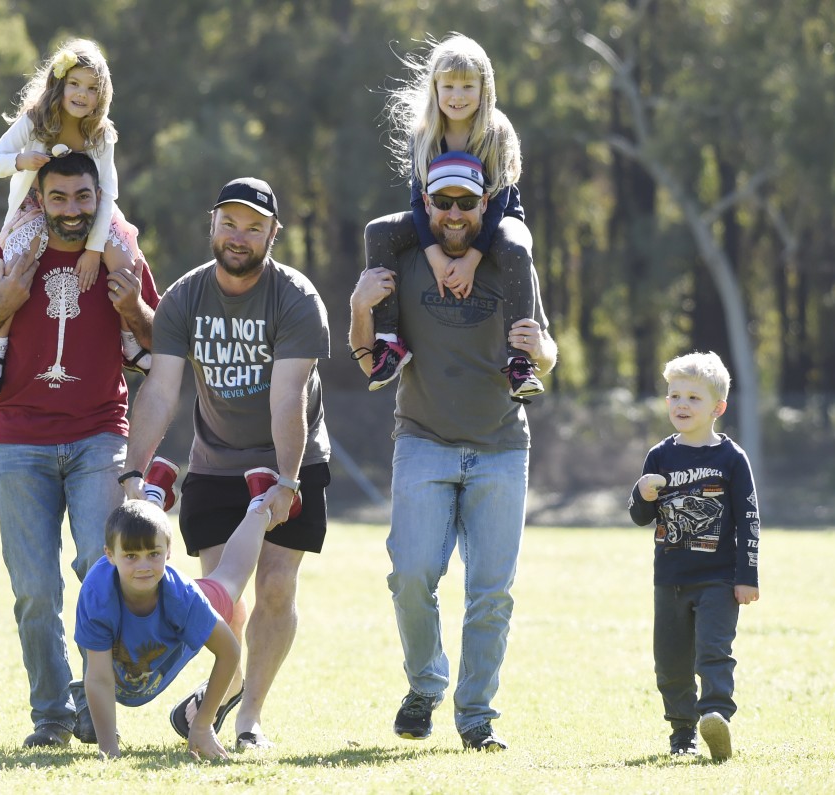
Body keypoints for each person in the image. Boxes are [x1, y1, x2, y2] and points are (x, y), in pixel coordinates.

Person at [0, 151, 160, 748]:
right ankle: (51, 717)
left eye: (83, 198)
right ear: (38, 198)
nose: (71, 211)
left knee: (102, 566)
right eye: (58, 198)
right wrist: (2, 307)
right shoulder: (5, 254)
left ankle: (96, 702)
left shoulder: (121, 254)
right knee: (34, 588)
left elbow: (161, 346)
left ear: (100, 197)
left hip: (99, 433)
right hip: (18, 439)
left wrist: (131, 306)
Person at [349, 152, 558, 751]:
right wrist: (361, 307)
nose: (455, 214)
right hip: (423, 440)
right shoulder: (402, 259)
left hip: (500, 446)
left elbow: (548, 356)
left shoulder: (513, 265)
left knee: (491, 592)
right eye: (443, 203)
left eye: (467, 202)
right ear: (426, 207)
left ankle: (476, 717)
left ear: (484, 205)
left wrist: (541, 353)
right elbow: (370, 363)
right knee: (410, 574)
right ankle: (425, 684)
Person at [118, 177, 331, 753]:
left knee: (277, 588)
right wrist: (132, 476)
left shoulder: (296, 298)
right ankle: (208, 708)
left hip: (294, 458)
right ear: (212, 225)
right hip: (216, 463)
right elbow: (161, 391)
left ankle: (248, 718)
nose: (240, 236)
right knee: (225, 600)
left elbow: (290, 398)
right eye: (230, 223)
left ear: (272, 235)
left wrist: (286, 481)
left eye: (254, 227)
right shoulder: (184, 298)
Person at [363, 33, 544, 401]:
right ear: (435, 87)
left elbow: (498, 202)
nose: (457, 96)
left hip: (496, 218)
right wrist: (435, 254)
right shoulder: (424, 134)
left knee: (516, 248)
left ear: (484, 88)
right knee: (377, 231)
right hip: (439, 218)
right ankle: (389, 341)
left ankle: (520, 360)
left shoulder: (497, 131)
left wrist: (472, 259)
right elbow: (419, 201)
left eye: (467, 86)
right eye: (448, 86)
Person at [0, 38, 149, 396]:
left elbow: (109, 194)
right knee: (18, 259)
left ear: (102, 95)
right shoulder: (36, 121)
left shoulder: (101, 135)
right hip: (36, 206)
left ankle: (129, 340)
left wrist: (94, 249)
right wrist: (20, 161)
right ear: (59, 84)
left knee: (123, 257)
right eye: (75, 84)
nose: (82, 95)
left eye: (92, 88)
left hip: (90, 206)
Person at [76, 474, 284, 760]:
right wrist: (108, 749)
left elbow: (229, 651)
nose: (144, 566)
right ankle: (153, 496)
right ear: (110, 555)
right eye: (131, 556)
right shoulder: (97, 597)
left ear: (168, 553)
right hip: (131, 619)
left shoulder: (184, 598)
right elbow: (99, 678)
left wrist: (203, 724)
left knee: (232, 578)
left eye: (154, 554)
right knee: (141, 531)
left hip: (179, 610)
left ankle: (260, 507)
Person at [627, 351, 761, 761]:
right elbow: (640, 516)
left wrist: (747, 575)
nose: (681, 405)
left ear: (718, 407)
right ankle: (682, 734)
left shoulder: (731, 459)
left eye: (693, 398)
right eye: (674, 396)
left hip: (719, 579)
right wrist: (642, 493)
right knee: (670, 662)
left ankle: (716, 715)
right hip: (669, 581)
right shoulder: (660, 455)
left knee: (714, 651)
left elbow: (749, 519)